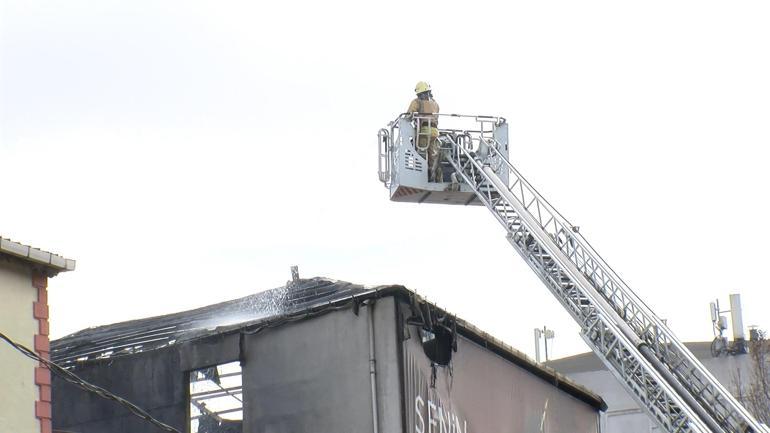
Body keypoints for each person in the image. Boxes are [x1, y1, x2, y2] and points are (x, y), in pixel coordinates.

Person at [407, 81, 442, 182]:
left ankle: (422, 177)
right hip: (435, 132)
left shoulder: (417, 102)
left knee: (421, 153)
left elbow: (409, 114)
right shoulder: (435, 103)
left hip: (424, 131)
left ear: (419, 93)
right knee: (433, 156)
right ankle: (436, 177)